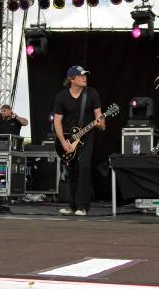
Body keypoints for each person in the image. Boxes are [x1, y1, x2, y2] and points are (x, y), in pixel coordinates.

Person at [53, 66, 106, 216]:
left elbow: (100, 120)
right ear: (71, 79)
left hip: (86, 138)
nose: (84, 78)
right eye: (80, 75)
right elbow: (57, 121)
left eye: (85, 75)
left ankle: (83, 206)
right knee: (72, 171)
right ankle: (72, 205)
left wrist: (100, 123)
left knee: (84, 167)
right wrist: (63, 142)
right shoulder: (61, 97)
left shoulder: (91, 93)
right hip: (68, 140)